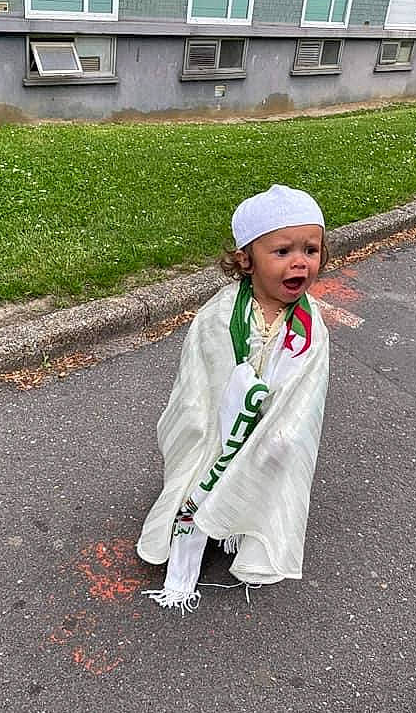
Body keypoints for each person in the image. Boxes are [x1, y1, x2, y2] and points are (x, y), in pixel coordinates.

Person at [137, 184, 330, 613]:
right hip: (217, 429)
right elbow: (197, 385)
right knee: (200, 487)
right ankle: (181, 578)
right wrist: (221, 419)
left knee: (262, 473)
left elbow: (307, 391)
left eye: (311, 250)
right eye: (282, 252)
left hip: (270, 427)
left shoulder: (311, 326)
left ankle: (238, 527)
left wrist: (281, 430)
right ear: (246, 259)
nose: (300, 261)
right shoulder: (220, 316)